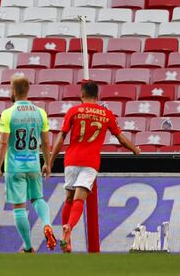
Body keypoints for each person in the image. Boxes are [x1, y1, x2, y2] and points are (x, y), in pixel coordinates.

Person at [47, 81, 141, 253]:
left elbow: (61, 137)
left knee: (68, 198)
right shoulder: (106, 114)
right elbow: (120, 138)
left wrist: (51, 161)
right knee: (79, 199)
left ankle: (64, 234)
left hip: (71, 160)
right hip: (90, 162)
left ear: (82, 94)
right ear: (97, 96)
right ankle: (69, 227)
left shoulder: (73, 111)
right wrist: (135, 150)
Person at [0, 76, 56, 253]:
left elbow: (3, 143)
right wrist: (47, 163)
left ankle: (28, 247)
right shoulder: (40, 112)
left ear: (13, 91)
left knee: (19, 207)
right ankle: (47, 224)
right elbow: (45, 142)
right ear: (28, 90)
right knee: (38, 198)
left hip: (14, 167)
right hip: (34, 165)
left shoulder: (8, 113)